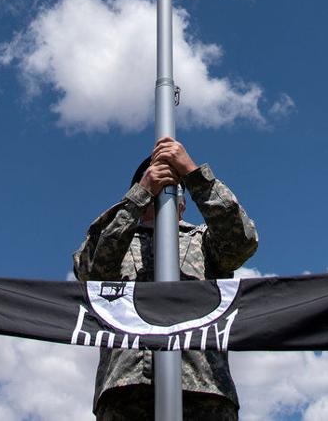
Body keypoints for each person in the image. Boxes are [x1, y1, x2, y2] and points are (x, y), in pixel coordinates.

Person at [73, 136, 258, 421]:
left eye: (174, 185)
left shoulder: (202, 242)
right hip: (127, 390)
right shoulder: (120, 240)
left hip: (202, 387)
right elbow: (90, 270)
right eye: (154, 180)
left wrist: (194, 175)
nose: (163, 186)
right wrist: (139, 195)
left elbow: (242, 241)